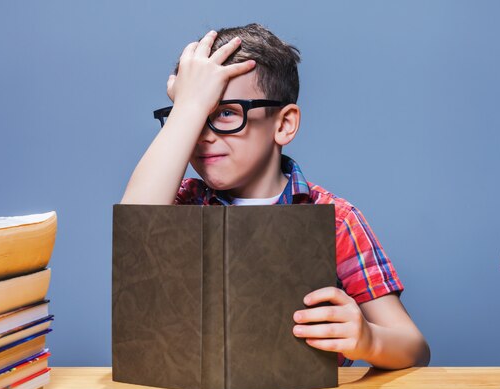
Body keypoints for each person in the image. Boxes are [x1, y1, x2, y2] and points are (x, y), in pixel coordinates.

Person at [120, 23, 430, 368]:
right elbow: (135, 229)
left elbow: (414, 348)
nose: (203, 136)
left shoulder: (334, 218)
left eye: (225, 113)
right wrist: (187, 108)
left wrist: (369, 339)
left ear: (283, 125)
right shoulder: (178, 205)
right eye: (192, 117)